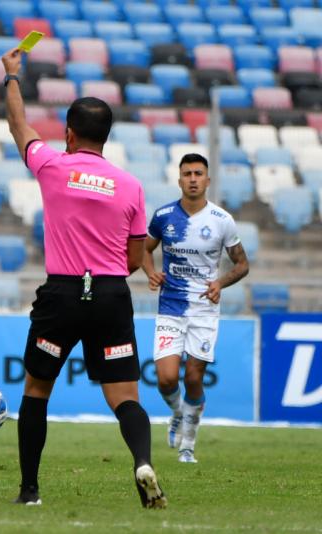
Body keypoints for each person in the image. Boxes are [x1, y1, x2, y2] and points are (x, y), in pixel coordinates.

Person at [2, 47, 166, 508]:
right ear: (107, 137)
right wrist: (109, 277)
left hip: (63, 293)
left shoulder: (54, 167)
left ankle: (30, 490)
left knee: (37, 389)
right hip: (112, 293)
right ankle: (142, 463)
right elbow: (136, 255)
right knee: (125, 396)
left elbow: (19, 127)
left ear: (69, 134)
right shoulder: (130, 185)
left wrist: (13, 77)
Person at [143, 153, 249, 464]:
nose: (192, 178)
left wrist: (220, 283)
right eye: (187, 173)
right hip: (171, 306)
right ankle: (178, 413)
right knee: (165, 379)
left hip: (204, 310)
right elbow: (142, 251)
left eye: (198, 173)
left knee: (192, 378)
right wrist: (150, 273)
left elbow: (242, 264)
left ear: (207, 180)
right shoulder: (163, 216)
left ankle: (188, 444)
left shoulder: (221, 220)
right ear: (179, 180)